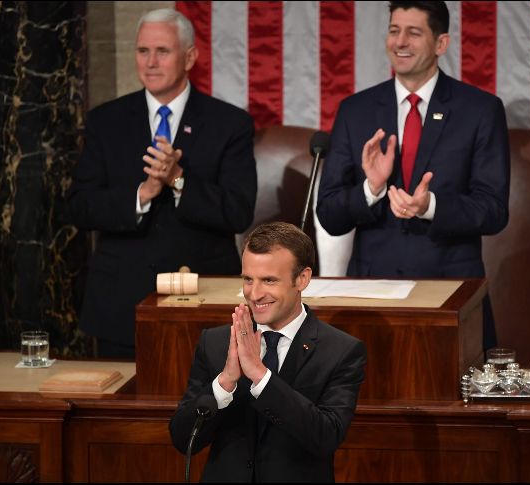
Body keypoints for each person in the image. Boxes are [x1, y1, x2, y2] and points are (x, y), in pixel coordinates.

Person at [316, 0, 510, 350]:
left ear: (441, 44)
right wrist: (371, 189)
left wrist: (431, 205)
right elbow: (329, 214)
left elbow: (493, 209)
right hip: (372, 297)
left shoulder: (480, 110)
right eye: (394, 30)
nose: (400, 42)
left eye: (413, 32)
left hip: (450, 293)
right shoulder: (355, 111)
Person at [66, 9, 257, 358]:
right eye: (143, 51)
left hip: (205, 301)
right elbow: (80, 205)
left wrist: (178, 179)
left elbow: (238, 210)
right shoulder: (105, 121)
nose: (150, 62)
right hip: (121, 305)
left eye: (162, 51)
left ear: (190, 57)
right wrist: (142, 194)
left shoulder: (230, 123)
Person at [169, 222, 367, 482]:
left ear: (302, 279)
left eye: (269, 280)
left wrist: (261, 376)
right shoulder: (216, 342)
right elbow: (184, 439)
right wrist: (225, 382)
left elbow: (325, 437)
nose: (255, 294)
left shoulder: (341, 351)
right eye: (248, 279)